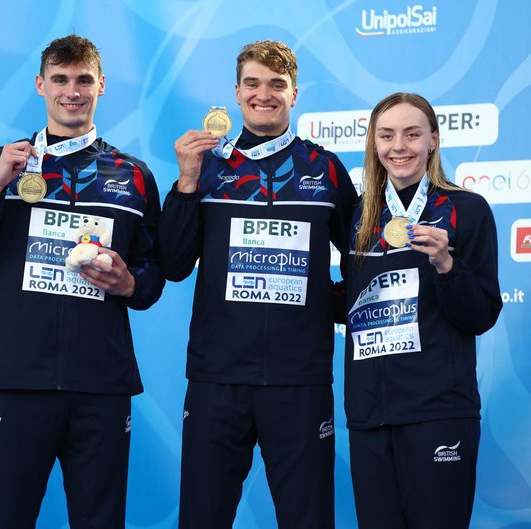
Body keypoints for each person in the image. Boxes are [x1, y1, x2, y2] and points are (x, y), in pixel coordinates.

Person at [0, 35, 164, 529]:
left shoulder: (134, 176)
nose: (72, 91)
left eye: (83, 79)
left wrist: (130, 282)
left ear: (101, 86)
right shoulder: (1, 163)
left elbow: (153, 278)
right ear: (40, 85)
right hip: (17, 379)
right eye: (60, 79)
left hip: (101, 385)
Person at [160, 40, 357, 528]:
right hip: (216, 378)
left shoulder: (325, 167)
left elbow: (361, 265)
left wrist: (321, 304)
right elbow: (174, 263)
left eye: (276, 85)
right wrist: (185, 185)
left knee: (308, 518)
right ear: (237, 91)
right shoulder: (206, 166)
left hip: (300, 379)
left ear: (295, 94)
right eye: (252, 84)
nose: (263, 94)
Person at [344, 92, 501, 529]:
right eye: (387, 135)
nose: (400, 146)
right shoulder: (358, 215)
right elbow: (355, 304)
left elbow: (481, 314)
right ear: (374, 144)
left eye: (412, 134)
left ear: (433, 139)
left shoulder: (467, 210)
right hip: (369, 414)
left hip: (438, 409)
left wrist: (446, 266)